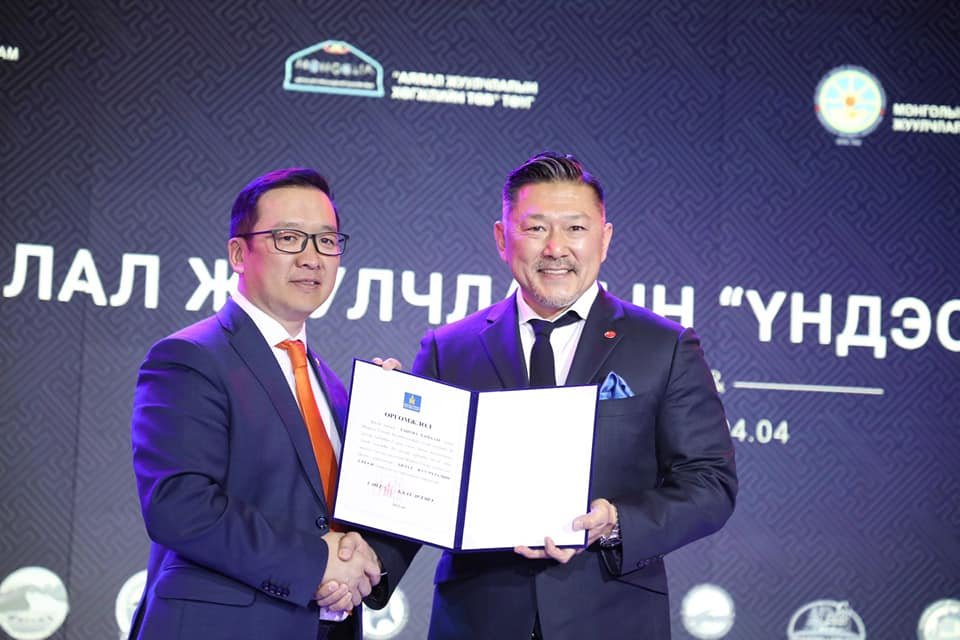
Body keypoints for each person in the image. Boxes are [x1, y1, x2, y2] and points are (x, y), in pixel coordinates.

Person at [411, 151, 738, 639]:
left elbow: (710, 483)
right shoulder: (449, 349)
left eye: (575, 229)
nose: (555, 248)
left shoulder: (664, 346)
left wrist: (615, 522)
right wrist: (388, 411)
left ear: (604, 239)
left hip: (612, 618)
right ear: (502, 238)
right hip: (477, 620)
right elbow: (416, 482)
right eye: (536, 228)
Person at [129, 168, 414, 640]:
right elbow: (179, 506)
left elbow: (350, 517)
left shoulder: (333, 387)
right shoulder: (190, 357)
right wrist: (316, 563)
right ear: (239, 254)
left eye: (326, 241)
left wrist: (393, 433)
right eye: (289, 238)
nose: (312, 258)